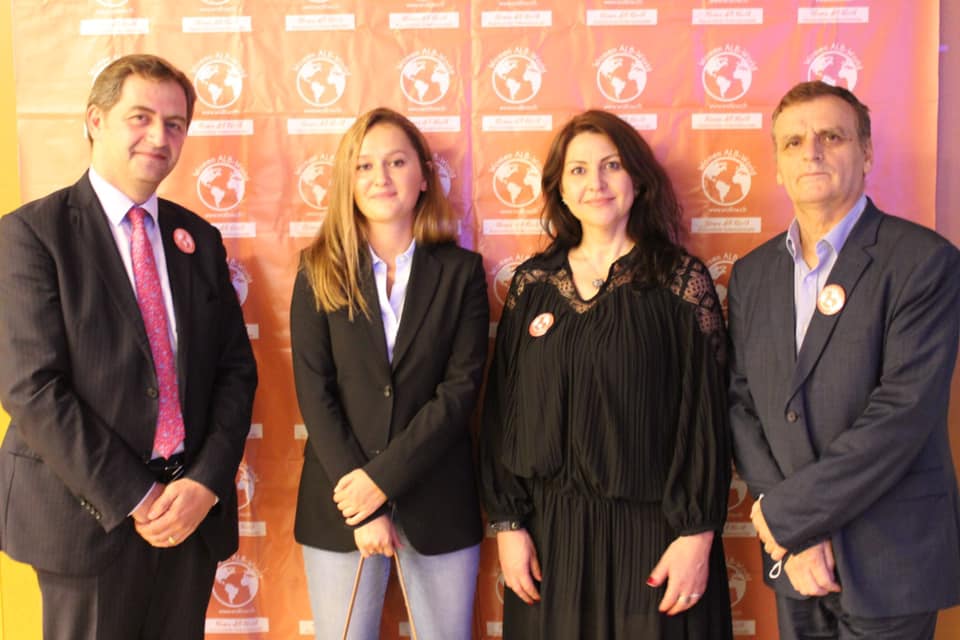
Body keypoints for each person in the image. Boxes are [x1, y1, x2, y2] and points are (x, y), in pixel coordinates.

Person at [0, 54, 258, 640]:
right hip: (86, 520)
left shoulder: (199, 239)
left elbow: (235, 373)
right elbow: (31, 388)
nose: (159, 137)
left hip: (189, 519)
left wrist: (204, 483)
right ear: (95, 120)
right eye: (140, 117)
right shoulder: (32, 234)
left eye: (175, 124)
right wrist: (138, 496)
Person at [480, 109, 733, 639]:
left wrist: (697, 534)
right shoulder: (532, 285)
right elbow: (504, 411)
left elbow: (707, 418)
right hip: (549, 540)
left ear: (638, 179)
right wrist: (508, 524)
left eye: (611, 165)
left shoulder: (680, 283)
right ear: (560, 188)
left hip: (657, 535)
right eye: (578, 170)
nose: (594, 183)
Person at [728, 81, 960, 640]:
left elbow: (902, 413)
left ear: (867, 152)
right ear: (777, 165)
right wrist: (796, 536)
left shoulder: (924, 262)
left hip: (890, 557)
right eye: (793, 142)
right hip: (796, 563)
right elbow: (742, 405)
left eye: (831, 137)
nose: (811, 152)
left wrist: (789, 517)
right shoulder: (752, 275)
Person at [290, 107, 489, 639]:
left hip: (438, 501)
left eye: (397, 162)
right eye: (364, 165)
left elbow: (460, 391)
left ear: (423, 176)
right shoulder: (317, 270)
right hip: (340, 502)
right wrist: (361, 502)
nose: (380, 177)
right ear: (347, 181)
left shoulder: (462, 273)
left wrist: (382, 481)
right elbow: (314, 391)